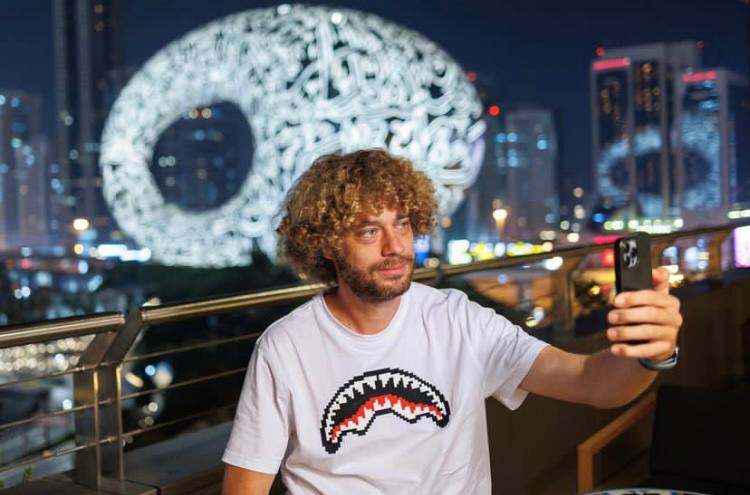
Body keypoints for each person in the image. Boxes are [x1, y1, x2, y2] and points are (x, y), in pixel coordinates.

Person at [222, 149, 682, 494]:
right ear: (326, 244)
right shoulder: (286, 346)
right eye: (369, 231)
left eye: (402, 224)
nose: (395, 247)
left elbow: (594, 384)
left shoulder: (458, 320)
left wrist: (652, 352)